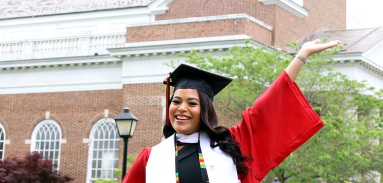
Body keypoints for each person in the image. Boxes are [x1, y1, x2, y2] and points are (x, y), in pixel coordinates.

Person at [123, 38, 341, 183]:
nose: (181, 108)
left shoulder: (230, 146)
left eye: (192, 103)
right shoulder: (150, 159)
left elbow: (266, 109)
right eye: (176, 101)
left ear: (205, 110)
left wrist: (301, 56)